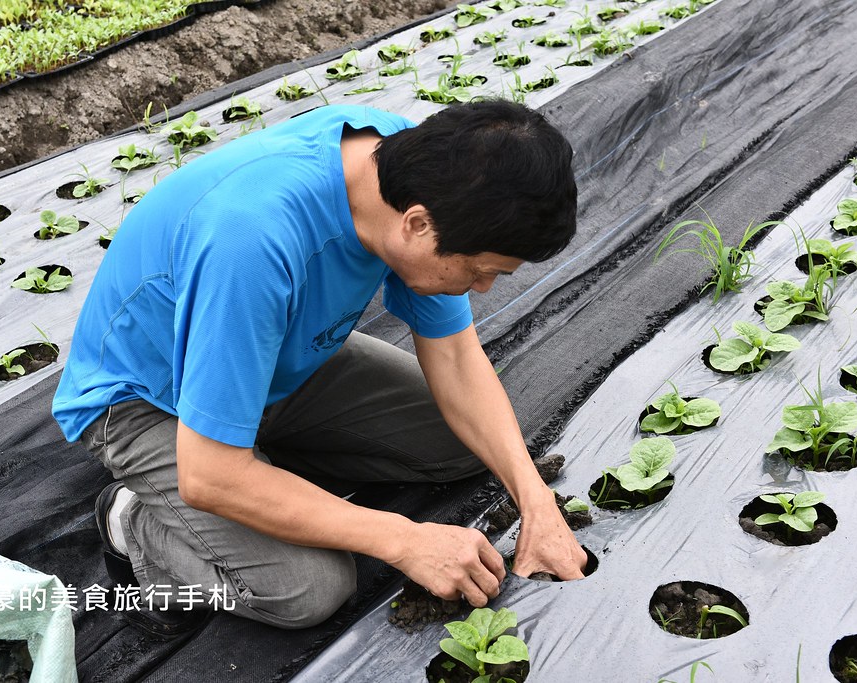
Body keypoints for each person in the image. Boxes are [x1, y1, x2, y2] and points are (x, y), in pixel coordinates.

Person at [52, 100, 585, 637]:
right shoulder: (252, 237)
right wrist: (405, 539)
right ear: (417, 224)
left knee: (461, 443)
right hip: (150, 399)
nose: (484, 287)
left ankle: (262, 468)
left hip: (278, 362)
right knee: (308, 588)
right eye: (480, 270)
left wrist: (535, 501)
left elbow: (454, 356)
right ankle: (135, 522)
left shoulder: (414, 169)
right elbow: (208, 474)